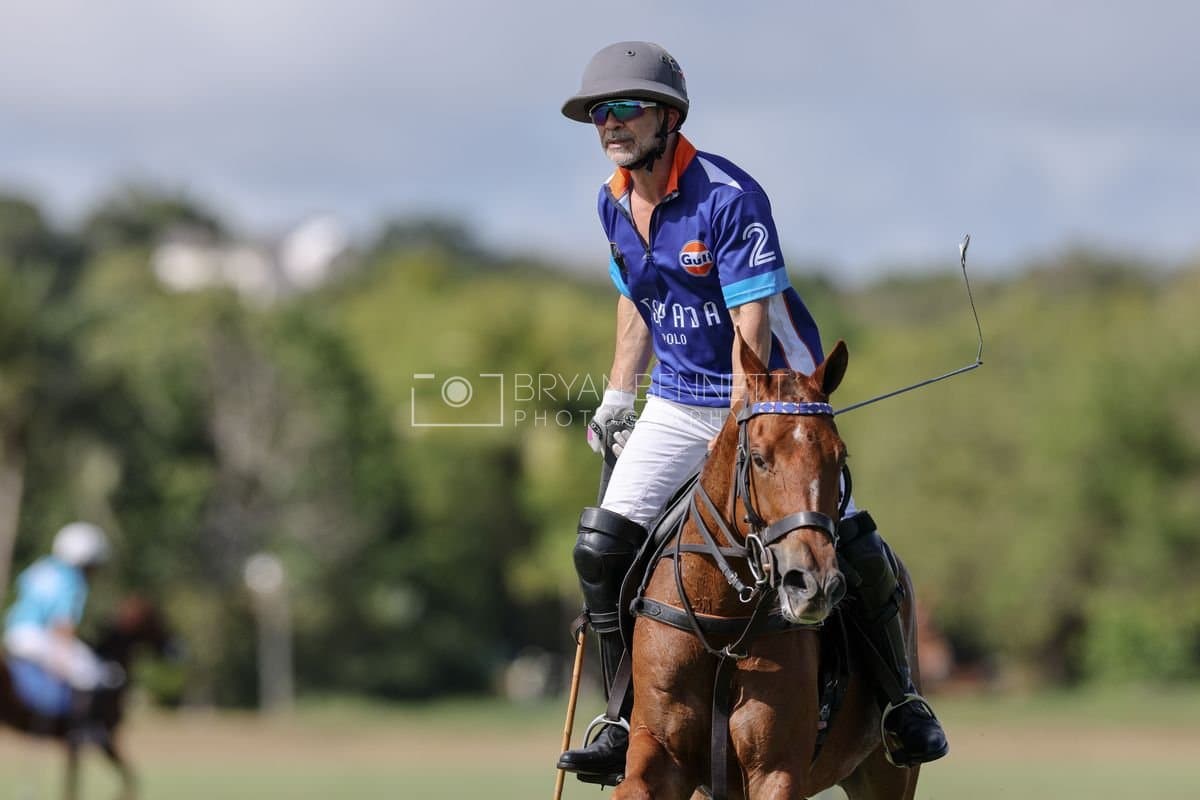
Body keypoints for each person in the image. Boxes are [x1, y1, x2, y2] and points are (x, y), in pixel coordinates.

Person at [556, 41, 948, 781]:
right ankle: (620, 717)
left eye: (624, 109)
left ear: (668, 117)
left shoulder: (728, 197)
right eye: (599, 113)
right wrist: (617, 395)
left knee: (851, 543)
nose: (609, 123)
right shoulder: (612, 200)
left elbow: (752, 325)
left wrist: (749, 422)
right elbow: (639, 304)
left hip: (773, 394)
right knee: (600, 546)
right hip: (677, 401)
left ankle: (900, 704)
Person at [4, 521, 124, 718]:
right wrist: (63, 656)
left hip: (14, 633)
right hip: (38, 636)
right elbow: (62, 623)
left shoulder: (41, 567)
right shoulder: (72, 580)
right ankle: (80, 727)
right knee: (91, 671)